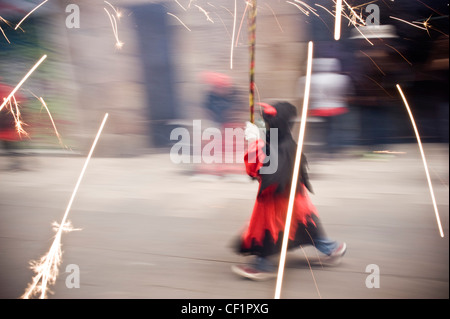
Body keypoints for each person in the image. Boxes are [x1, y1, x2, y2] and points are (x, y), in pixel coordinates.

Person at [232, 101, 346, 280]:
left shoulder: (283, 146)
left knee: (269, 231)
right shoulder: (281, 140)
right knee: (302, 229)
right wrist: (257, 137)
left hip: (279, 202)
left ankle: (262, 265)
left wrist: (255, 142)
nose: (265, 126)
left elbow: (262, 169)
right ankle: (332, 248)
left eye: (267, 123)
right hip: (291, 200)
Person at [298, 58, 353, 155]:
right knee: (334, 129)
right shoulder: (342, 78)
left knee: (321, 130)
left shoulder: (307, 79)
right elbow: (346, 93)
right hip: (337, 108)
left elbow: (302, 95)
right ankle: (333, 147)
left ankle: (325, 147)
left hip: (318, 108)